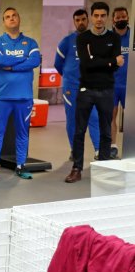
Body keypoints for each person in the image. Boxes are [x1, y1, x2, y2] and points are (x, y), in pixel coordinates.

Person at [65, 2, 123, 183]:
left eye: (102, 16)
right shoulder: (83, 38)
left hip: (106, 90)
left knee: (106, 131)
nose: (99, 19)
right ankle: (76, 168)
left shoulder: (114, 38)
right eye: (96, 16)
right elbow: (87, 64)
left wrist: (100, 61)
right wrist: (110, 61)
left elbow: (116, 65)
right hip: (86, 90)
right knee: (79, 131)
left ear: (107, 17)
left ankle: (104, 169)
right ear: (91, 17)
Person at [0, 7, 41, 180]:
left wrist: (10, 66)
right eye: (7, 17)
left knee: (22, 132)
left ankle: (20, 166)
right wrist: (22, 60)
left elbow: (34, 61)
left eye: (14, 16)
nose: (11, 19)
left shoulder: (30, 43)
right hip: (1, 96)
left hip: (23, 97)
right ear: (3, 22)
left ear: (19, 19)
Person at [54, 9, 100, 161]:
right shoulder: (67, 41)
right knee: (73, 120)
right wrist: (69, 76)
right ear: (74, 22)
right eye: (77, 20)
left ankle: (99, 151)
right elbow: (58, 64)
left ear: (88, 20)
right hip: (71, 88)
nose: (81, 22)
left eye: (83, 19)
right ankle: (75, 151)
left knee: (94, 118)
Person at [110, 7, 130, 159]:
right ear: (113, 20)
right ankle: (113, 146)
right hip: (112, 84)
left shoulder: (133, 35)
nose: (121, 19)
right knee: (111, 117)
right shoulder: (109, 38)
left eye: (123, 16)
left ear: (128, 17)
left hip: (130, 85)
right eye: (118, 17)